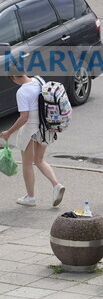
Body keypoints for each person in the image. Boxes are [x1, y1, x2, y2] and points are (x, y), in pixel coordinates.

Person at [1, 70, 66, 207]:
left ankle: (30, 197)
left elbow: (24, 117)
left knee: (27, 164)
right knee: (39, 160)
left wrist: (9, 132)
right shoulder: (38, 81)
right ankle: (56, 185)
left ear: (13, 77)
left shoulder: (22, 92)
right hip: (45, 127)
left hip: (30, 130)